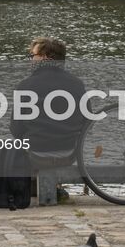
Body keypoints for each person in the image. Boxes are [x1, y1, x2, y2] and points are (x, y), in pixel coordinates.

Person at [12, 37, 89, 204]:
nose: (30, 60)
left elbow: (16, 129)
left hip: (37, 155)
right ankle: (54, 188)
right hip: (68, 154)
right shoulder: (77, 84)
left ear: (46, 57)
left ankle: (37, 186)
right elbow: (88, 122)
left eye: (32, 55)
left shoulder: (25, 86)